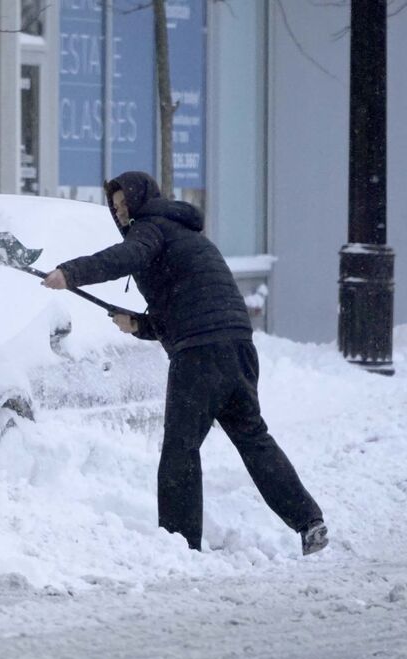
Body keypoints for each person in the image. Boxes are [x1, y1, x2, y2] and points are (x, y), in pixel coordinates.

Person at [42, 171, 328, 556]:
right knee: (253, 439)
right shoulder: (185, 233)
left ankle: (178, 544)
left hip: (201, 354)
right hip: (237, 346)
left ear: (140, 201)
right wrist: (140, 324)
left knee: (180, 449)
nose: (120, 213)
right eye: (115, 208)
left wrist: (70, 273)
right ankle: (309, 522)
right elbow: (186, 305)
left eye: (124, 204)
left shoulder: (151, 228)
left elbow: (123, 257)